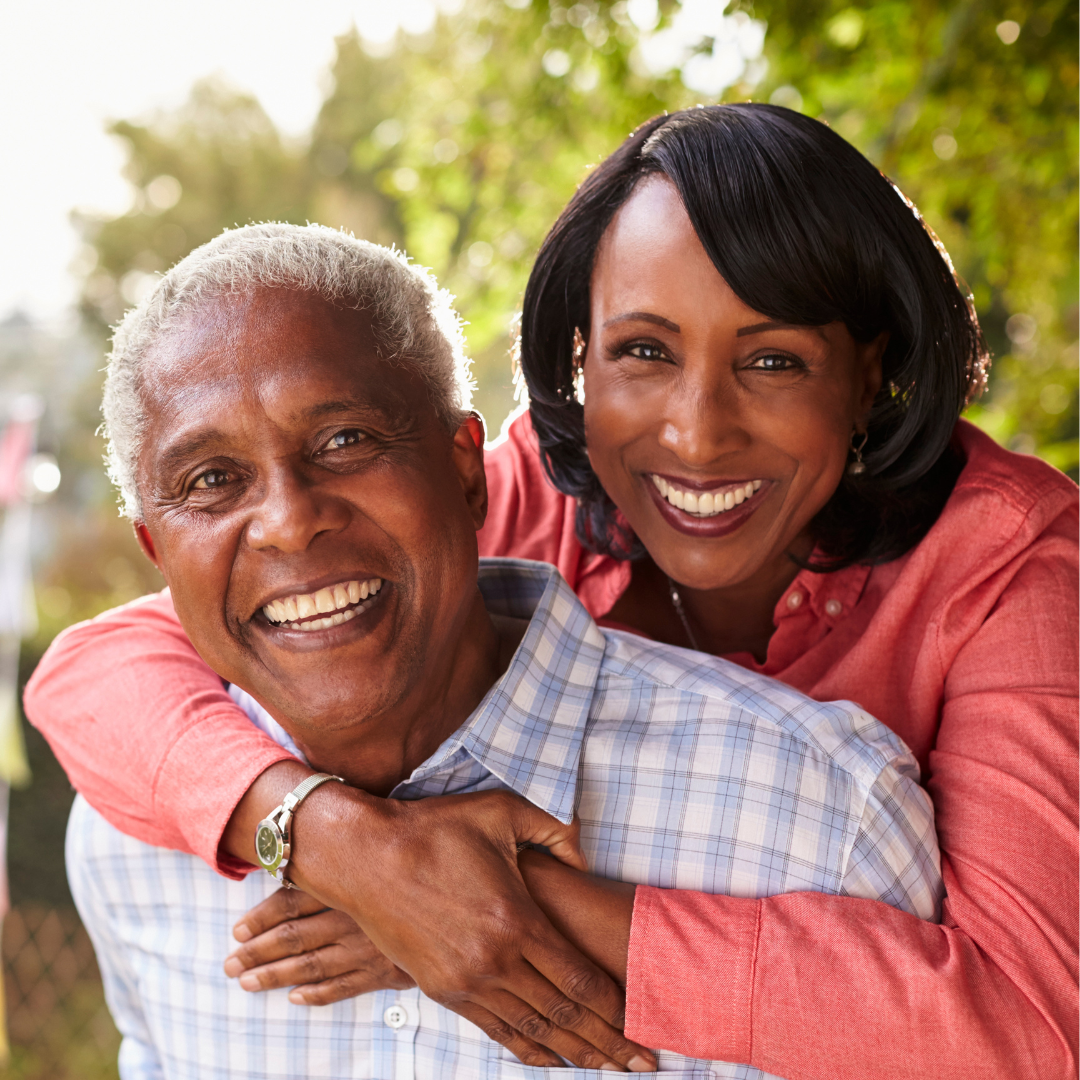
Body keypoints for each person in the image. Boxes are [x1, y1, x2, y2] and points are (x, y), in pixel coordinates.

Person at [27, 104, 1080, 1078]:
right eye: (642, 353)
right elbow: (96, 670)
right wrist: (347, 849)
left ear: (868, 373)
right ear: (580, 362)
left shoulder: (1012, 564)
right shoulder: (540, 480)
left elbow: (1029, 1028)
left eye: (773, 362)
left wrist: (490, 914)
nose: (696, 433)